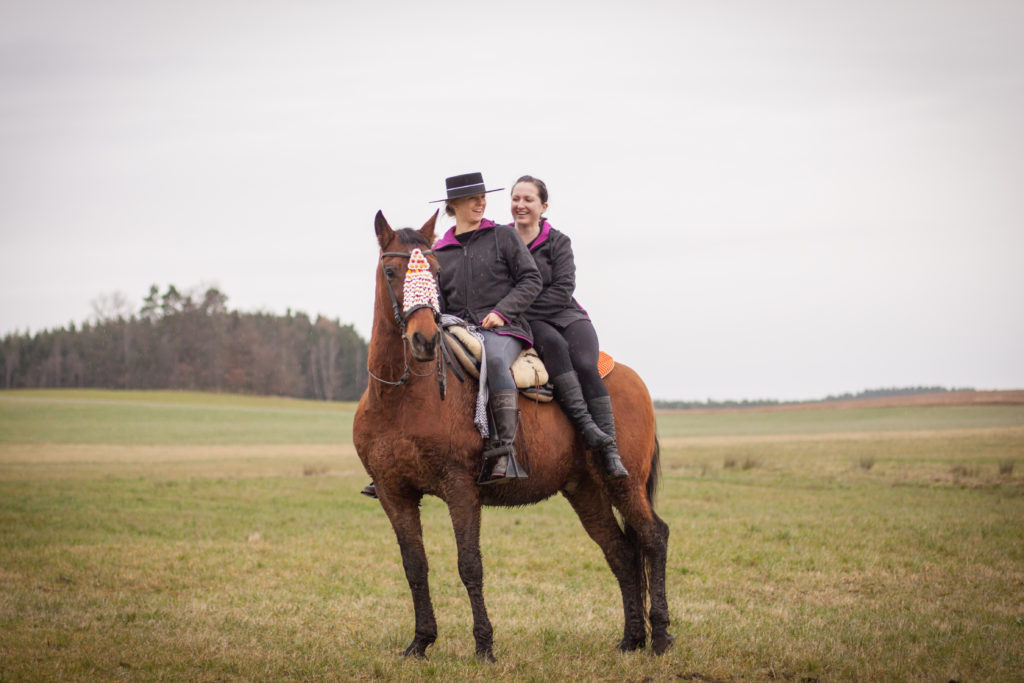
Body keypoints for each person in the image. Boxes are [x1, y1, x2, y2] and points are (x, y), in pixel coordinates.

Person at [509, 175, 628, 479]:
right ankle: (585, 428)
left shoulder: (559, 242)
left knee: (587, 364)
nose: (520, 205)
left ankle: (610, 452)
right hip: (533, 323)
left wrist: (517, 308)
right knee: (557, 349)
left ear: (543, 206)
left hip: (566, 314)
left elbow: (564, 287)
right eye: (516, 199)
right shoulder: (502, 240)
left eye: (528, 199)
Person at [431, 172, 543, 484]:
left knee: (494, 361)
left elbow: (531, 279)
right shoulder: (440, 252)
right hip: (457, 330)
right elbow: (439, 303)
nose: (481, 202)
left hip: (504, 330)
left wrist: (501, 312)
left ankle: (504, 452)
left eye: (482, 197)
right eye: (472, 198)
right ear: (453, 205)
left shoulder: (503, 237)